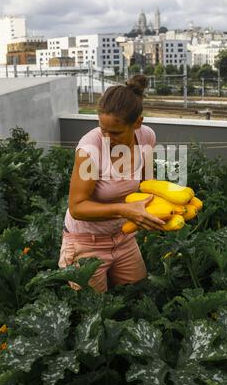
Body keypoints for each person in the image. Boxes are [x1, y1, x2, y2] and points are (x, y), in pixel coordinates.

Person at [58, 74, 165, 293]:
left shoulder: (146, 138)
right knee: (93, 312)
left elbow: (147, 184)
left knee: (136, 297)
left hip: (124, 238)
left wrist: (167, 209)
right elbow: (77, 207)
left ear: (137, 123)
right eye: (102, 129)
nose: (107, 137)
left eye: (115, 132)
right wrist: (124, 210)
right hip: (86, 243)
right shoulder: (90, 149)